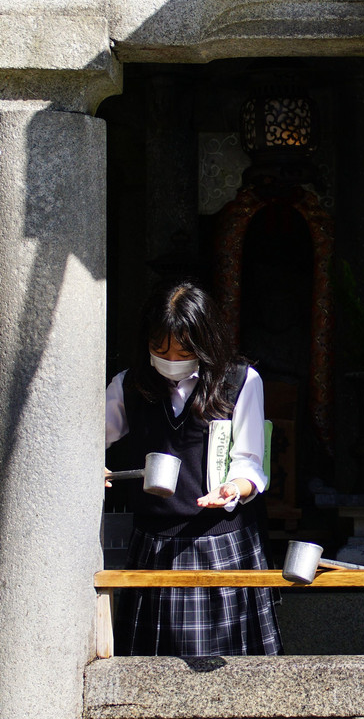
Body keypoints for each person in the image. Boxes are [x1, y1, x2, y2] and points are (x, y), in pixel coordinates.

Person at [104, 279, 282, 656]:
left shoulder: (239, 381)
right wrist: (94, 469)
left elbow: (250, 462)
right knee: (149, 669)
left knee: (230, 673)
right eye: (160, 348)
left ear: (205, 342)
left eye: (183, 349)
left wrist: (233, 489)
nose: (171, 359)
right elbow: (85, 444)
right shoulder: (128, 385)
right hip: (153, 543)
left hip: (220, 543)